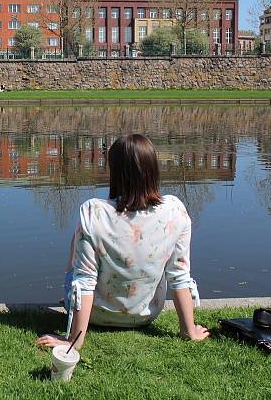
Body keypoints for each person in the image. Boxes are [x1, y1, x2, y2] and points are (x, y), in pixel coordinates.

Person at [36, 133, 209, 351]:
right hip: (146, 315)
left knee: (78, 243)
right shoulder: (175, 212)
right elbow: (179, 276)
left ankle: (81, 309)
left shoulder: (94, 213)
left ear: (115, 171)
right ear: (153, 169)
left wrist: (72, 342)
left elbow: (84, 281)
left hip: (96, 317)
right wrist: (189, 331)